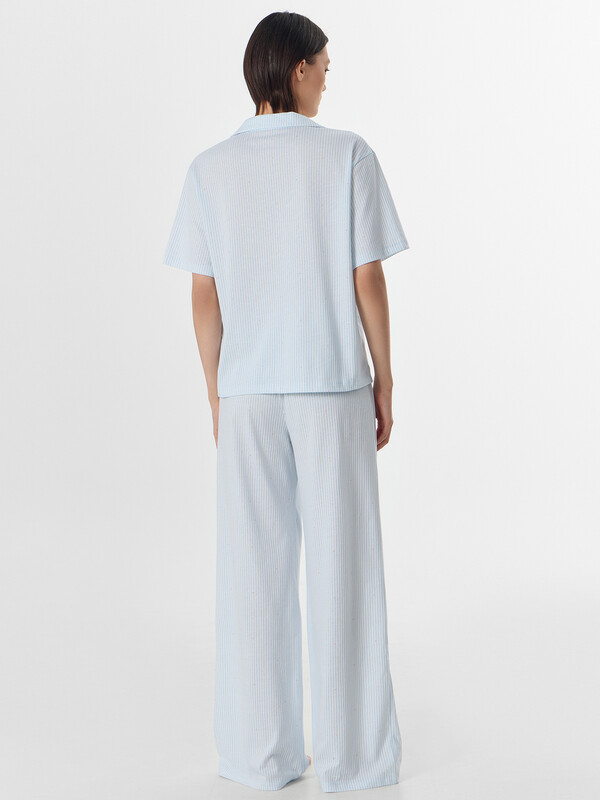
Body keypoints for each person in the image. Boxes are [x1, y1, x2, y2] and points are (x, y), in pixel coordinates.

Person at [162, 11, 410, 793]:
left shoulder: (209, 168)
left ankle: (259, 756)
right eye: (324, 69)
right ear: (297, 69)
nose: (327, 82)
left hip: (247, 392)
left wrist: (217, 391)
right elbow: (367, 278)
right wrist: (385, 377)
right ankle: (352, 761)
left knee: (253, 574)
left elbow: (204, 297)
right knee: (345, 571)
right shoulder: (346, 155)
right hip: (330, 382)